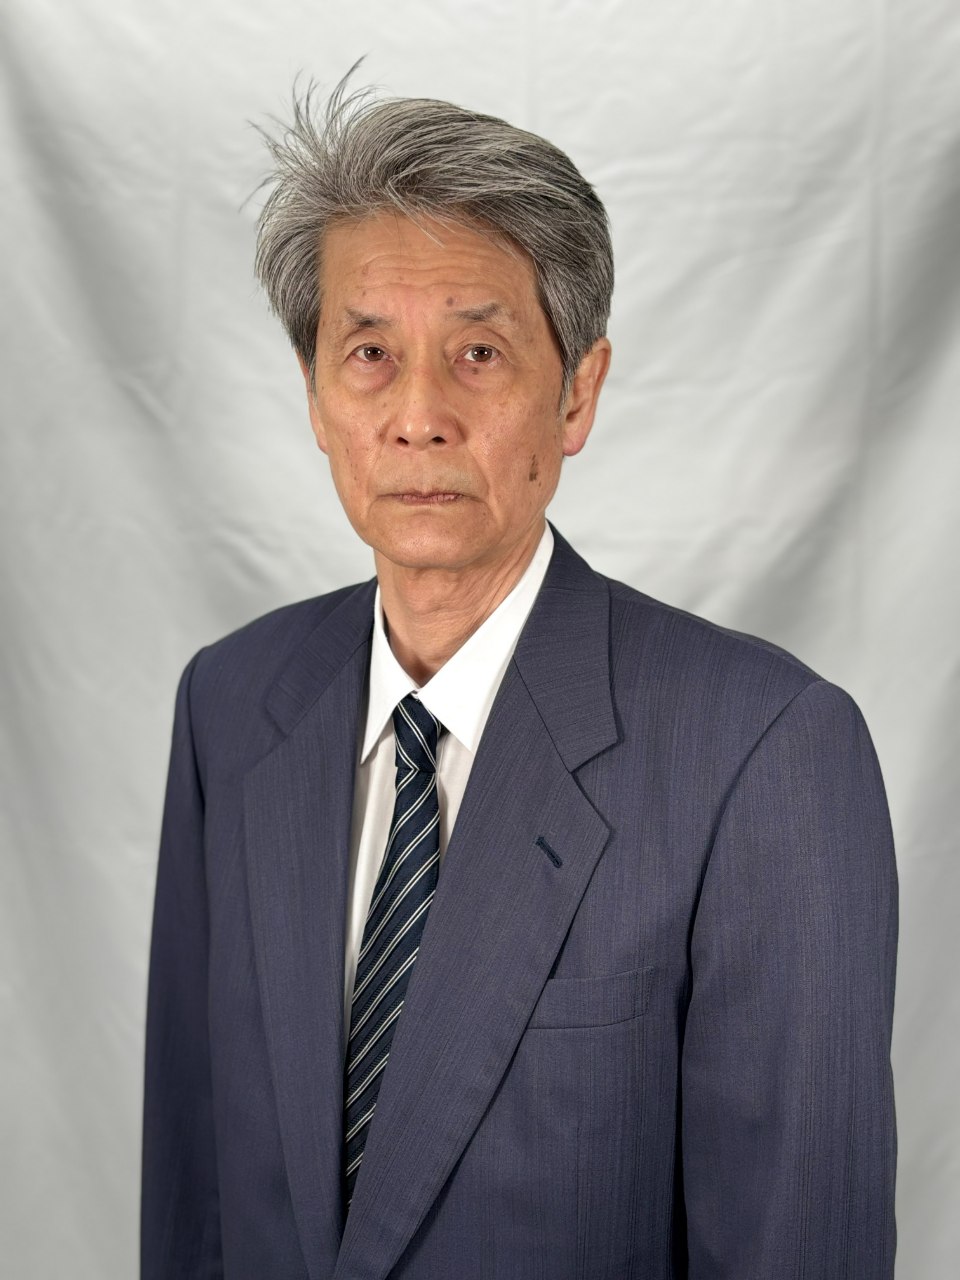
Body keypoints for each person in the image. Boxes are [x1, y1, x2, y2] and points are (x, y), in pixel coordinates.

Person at [141, 77, 898, 1280]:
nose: (419, 415)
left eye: (479, 352)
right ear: (315, 395)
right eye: (370, 353)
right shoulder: (231, 705)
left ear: (577, 393)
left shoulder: (767, 749)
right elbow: (194, 1204)